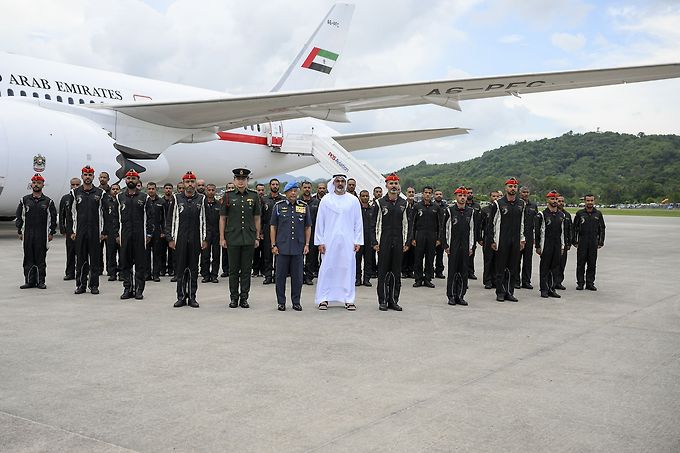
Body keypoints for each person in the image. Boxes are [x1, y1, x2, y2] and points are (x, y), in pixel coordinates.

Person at [315, 174, 363, 311]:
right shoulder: (326, 200)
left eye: (343, 181)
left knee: (347, 269)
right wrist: (320, 242)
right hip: (329, 242)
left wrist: (357, 240)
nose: (340, 183)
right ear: (333, 183)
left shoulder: (353, 200)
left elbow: (358, 222)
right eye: (338, 181)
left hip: (348, 242)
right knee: (327, 268)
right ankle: (323, 299)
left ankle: (348, 299)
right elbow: (320, 222)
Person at [219, 168, 262, 308]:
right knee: (233, 270)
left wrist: (257, 237)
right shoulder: (227, 196)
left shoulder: (254, 196)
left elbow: (257, 218)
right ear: (234, 180)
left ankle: (244, 297)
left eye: (243, 179)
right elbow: (222, 219)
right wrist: (222, 238)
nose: (241, 181)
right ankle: (233, 298)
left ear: (247, 180)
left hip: (249, 238)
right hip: (232, 237)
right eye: (238, 179)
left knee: (246, 270)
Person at [166, 171, 207, 308]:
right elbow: (170, 220)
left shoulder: (201, 199)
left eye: (192, 182)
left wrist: (205, 238)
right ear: (183, 184)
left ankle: (193, 297)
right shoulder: (177, 198)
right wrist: (170, 238)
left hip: (195, 239)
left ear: (195, 184)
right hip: (180, 239)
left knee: (193, 269)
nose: (190, 184)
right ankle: (181, 296)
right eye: (187, 182)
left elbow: (205, 221)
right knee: (181, 269)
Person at [371, 173, 410, 311]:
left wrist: (407, 242)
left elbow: (407, 224)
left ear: (399, 186)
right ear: (386, 185)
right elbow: (373, 224)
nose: (394, 186)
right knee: (383, 271)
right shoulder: (379, 203)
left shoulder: (404, 203)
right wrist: (374, 241)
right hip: (384, 241)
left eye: (396, 184)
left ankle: (393, 300)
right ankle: (383, 300)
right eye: (391, 184)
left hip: (398, 240)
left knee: (396, 272)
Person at [271, 181, 311, 311]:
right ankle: (281, 302)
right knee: (280, 276)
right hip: (282, 247)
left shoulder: (304, 206)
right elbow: (273, 227)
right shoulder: (278, 206)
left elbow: (307, 227)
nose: (293, 193)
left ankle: (296, 301)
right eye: (291, 191)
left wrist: (306, 244)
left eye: (295, 190)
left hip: (298, 247)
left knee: (298, 277)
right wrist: (273, 244)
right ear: (286, 193)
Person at [113, 170, 151, 300]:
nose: (131, 180)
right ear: (125, 180)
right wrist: (116, 234)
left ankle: (139, 290)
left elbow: (150, 218)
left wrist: (149, 235)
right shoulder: (119, 197)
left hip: (140, 235)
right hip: (125, 234)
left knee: (140, 263)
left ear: (137, 181)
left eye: (133, 178)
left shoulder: (144, 198)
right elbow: (115, 217)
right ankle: (127, 288)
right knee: (125, 262)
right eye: (129, 178)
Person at [68, 165, 106, 295]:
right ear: (82, 176)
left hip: (95, 231)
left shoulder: (100, 193)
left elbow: (103, 214)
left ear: (93, 177)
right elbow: (72, 214)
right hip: (81, 231)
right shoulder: (75, 193)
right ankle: (81, 285)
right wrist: (73, 231)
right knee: (81, 259)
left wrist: (103, 232)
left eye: (90, 175)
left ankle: (94, 285)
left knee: (94, 259)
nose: (87, 177)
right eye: (85, 175)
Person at [16, 173, 57, 289]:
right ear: (31, 184)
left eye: (38, 183)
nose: (36, 185)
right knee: (28, 257)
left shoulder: (48, 202)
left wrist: (51, 232)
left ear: (43, 185)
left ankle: (40, 281)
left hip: (41, 235)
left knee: (40, 258)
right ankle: (29, 281)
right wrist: (20, 230)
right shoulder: (24, 200)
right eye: (34, 183)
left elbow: (52, 218)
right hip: (28, 234)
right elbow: (20, 216)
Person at [489, 177, 526, 302]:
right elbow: (491, 224)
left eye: (515, 186)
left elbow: (522, 223)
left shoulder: (521, 204)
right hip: (502, 239)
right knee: (500, 267)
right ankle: (500, 292)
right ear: (506, 188)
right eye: (510, 186)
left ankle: (509, 292)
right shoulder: (498, 204)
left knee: (513, 267)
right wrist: (492, 240)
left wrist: (522, 239)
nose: (512, 189)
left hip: (515, 239)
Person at [443, 186, 475, 305]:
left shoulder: (470, 211)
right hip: (453, 244)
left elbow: (472, 230)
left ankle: (461, 295)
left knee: (463, 271)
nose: (462, 198)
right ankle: (451, 295)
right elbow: (444, 229)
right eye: (460, 196)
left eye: (464, 196)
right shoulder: (450, 211)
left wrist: (471, 246)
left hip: (465, 244)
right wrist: (446, 245)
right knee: (453, 270)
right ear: (456, 197)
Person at [535, 191, 565, 298]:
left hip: (557, 244)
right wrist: (538, 246)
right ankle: (544, 289)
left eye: (556, 199)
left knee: (555, 267)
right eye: (552, 199)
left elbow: (562, 231)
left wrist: (562, 246)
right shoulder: (542, 215)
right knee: (545, 268)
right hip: (546, 244)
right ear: (547, 200)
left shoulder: (561, 215)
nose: (555, 201)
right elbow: (538, 232)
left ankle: (552, 288)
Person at [412, 186, 443, 288]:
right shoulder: (417, 206)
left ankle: (428, 279)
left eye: (430, 193)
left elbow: (440, 225)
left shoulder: (436, 207)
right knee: (418, 258)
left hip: (432, 236)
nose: (427, 194)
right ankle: (418, 279)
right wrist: (412, 238)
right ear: (422, 193)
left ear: (432, 194)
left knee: (430, 259)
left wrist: (439, 238)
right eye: (426, 192)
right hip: (419, 235)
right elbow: (412, 223)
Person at [573, 194, 605, 291]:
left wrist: (601, 241)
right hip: (582, 242)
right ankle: (580, 283)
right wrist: (574, 240)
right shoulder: (580, 213)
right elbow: (574, 228)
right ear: (585, 201)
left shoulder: (598, 214)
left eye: (591, 200)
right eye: (588, 200)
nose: (590, 202)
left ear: (594, 201)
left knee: (592, 263)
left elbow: (602, 228)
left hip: (593, 242)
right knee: (580, 263)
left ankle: (590, 283)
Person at [261, 178, 284, 285]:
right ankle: (268, 276)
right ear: (269, 186)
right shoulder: (264, 199)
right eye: (273, 184)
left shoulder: (283, 200)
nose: (275, 186)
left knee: (279, 254)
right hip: (266, 228)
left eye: (276, 184)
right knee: (267, 254)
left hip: (280, 230)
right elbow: (260, 216)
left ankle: (277, 276)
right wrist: (260, 231)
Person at [304, 182, 326, 285]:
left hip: (313, 233)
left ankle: (309, 276)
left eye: (309, 187)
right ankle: (300, 276)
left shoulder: (317, 202)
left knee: (311, 257)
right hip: (299, 232)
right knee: (299, 256)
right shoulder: (298, 202)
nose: (307, 189)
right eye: (305, 187)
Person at [59, 177, 80, 280]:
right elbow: (62, 214)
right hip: (69, 230)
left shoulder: (83, 197)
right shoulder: (65, 198)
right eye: (73, 185)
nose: (75, 187)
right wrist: (63, 229)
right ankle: (70, 273)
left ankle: (81, 272)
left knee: (82, 252)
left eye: (77, 185)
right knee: (70, 252)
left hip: (81, 229)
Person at [479, 191, 501, 289]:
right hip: (487, 237)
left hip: (499, 237)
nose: (495, 198)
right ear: (490, 197)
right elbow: (479, 225)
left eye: (497, 196)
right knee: (488, 260)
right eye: (493, 196)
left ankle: (496, 280)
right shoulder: (485, 210)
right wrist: (479, 238)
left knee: (497, 260)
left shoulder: (501, 209)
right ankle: (487, 280)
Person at [201, 183, 222, 283]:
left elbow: (222, 220)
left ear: (215, 191)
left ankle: (214, 275)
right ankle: (205, 275)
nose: (210, 192)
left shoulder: (219, 204)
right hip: (205, 234)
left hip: (216, 233)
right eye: (209, 190)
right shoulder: (201, 204)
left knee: (216, 255)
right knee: (205, 255)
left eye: (213, 190)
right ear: (206, 190)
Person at [518, 186, 538, 289]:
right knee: (516, 259)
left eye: (527, 192)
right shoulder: (517, 204)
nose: (525, 194)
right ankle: (516, 281)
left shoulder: (533, 205)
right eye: (523, 192)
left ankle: (526, 281)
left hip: (529, 235)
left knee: (528, 259)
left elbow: (536, 222)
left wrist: (535, 237)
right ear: (520, 193)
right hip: (518, 235)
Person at [145, 182, 166, 282]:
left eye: (153, 189)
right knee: (146, 254)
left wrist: (163, 231)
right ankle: (147, 274)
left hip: (158, 231)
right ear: (147, 190)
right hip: (147, 231)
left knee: (157, 254)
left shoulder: (161, 202)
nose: (151, 190)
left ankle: (156, 274)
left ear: (156, 189)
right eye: (149, 189)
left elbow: (165, 218)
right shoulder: (144, 201)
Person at [102, 183, 120, 281]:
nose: (115, 191)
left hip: (121, 232)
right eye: (113, 189)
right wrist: (104, 232)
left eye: (117, 189)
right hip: (110, 232)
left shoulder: (122, 201)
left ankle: (122, 272)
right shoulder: (106, 202)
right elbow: (104, 217)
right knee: (111, 253)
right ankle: (112, 273)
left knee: (122, 254)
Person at [356, 189, 374, 287]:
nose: (365, 198)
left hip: (369, 238)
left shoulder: (373, 210)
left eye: (367, 196)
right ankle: (357, 278)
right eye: (363, 196)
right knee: (357, 260)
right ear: (360, 197)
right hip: (358, 239)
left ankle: (367, 279)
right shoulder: (357, 210)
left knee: (368, 260)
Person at [556, 195, 572, 290]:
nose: (561, 203)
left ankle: (559, 282)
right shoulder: (552, 213)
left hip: (564, 243)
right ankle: (552, 282)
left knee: (562, 264)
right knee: (554, 264)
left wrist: (569, 242)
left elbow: (570, 229)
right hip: (554, 242)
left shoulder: (567, 215)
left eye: (562, 201)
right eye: (559, 201)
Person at [465, 188, 482, 280]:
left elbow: (479, 222)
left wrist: (479, 237)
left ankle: (470, 272)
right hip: (464, 232)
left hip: (474, 232)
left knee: (472, 253)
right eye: (468, 193)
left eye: (471, 192)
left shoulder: (477, 206)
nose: (470, 194)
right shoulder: (463, 205)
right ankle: (463, 271)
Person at [401, 186, 416, 278]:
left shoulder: (417, 205)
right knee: (404, 252)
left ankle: (411, 270)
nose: (411, 193)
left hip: (414, 232)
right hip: (405, 230)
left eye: (412, 192)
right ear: (406, 193)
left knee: (413, 253)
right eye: (409, 192)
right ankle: (403, 270)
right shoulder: (403, 204)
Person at [251, 183, 266, 277]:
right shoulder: (252, 202)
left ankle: (263, 270)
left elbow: (266, 218)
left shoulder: (266, 202)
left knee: (265, 253)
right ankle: (255, 270)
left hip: (264, 231)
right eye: (259, 190)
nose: (260, 192)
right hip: (254, 231)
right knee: (255, 253)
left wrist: (262, 232)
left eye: (262, 190)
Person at [161, 183, 174, 278]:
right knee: (161, 252)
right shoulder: (160, 202)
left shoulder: (175, 201)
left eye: (170, 188)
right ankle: (162, 269)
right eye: (166, 188)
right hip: (161, 231)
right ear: (164, 190)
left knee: (172, 252)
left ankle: (171, 269)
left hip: (172, 231)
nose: (168, 190)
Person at [433, 189, 447, 279]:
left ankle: (439, 271)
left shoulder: (446, 207)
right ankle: (429, 271)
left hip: (441, 233)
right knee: (429, 254)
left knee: (440, 254)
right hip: (432, 233)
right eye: (437, 194)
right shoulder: (431, 206)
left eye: (440, 194)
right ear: (434, 196)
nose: (439, 195)